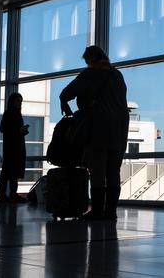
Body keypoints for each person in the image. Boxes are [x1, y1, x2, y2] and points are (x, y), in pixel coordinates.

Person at [60, 46, 129, 220]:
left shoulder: (90, 74)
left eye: (87, 61)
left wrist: (65, 103)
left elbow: (66, 93)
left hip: (98, 128)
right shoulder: (117, 75)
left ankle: (97, 211)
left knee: (97, 171)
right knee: (114, 172)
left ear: (90, 60)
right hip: (120, 128)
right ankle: (111, 212)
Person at [0, 93, 29, 203]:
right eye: (18, 101)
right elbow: (4, 129)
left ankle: (8, 194)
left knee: (11, 172)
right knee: (9, 172)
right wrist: (19, 131)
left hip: (15, 147)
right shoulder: (10, 114)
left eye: (21, 101)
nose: (20, 103)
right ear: (12, 102)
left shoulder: (15, 114)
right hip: (12, 148)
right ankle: (7, 194)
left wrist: (21, 131)